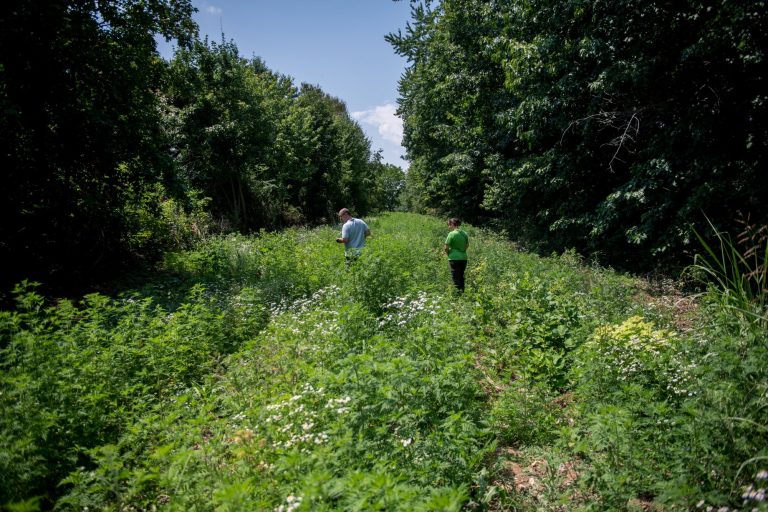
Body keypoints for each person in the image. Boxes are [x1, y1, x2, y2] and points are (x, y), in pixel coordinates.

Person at [444, 217, 469, 292]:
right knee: (461, 276)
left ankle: (457, 295)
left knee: (455, 277)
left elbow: (446, 247)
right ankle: (462, 291)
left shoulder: (451, 234)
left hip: (454, 258)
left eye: (449, 225)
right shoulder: (464, 233)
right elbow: (467, 245)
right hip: (464, 258)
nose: (448, 227)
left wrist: (449, 253)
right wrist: (462, 251)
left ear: (453, 224)